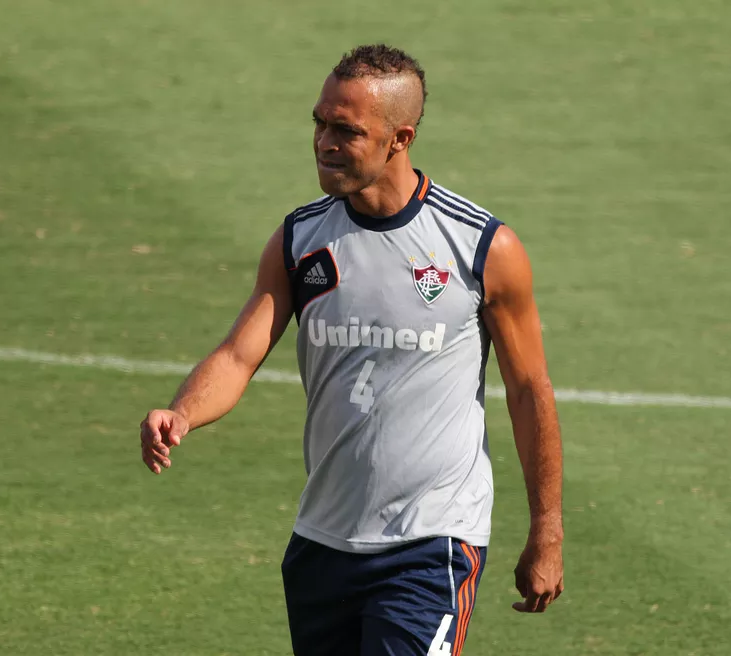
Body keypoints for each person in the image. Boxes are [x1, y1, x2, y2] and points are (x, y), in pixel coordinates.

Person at [139, 44, 564, 656]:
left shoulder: (479, 247)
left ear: (400, 138)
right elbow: (237, 356)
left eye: (346, 130)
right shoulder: (300, 240)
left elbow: (528, 389)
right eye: (319, 123)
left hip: (432, 544)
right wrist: (182, 413)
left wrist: (547, 530)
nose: (324, 142)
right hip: (322, 542)